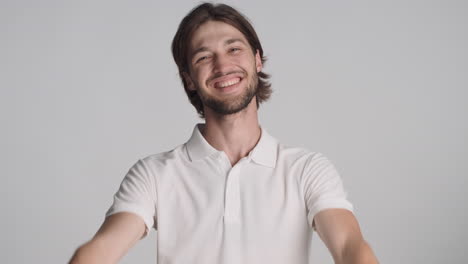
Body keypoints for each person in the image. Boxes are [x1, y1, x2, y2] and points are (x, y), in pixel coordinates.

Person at [69, 3, 379, 264]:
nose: (222, 65)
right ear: (189, 79)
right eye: (204, 57)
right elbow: (101, 250)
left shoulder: (306, 170)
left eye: (234, 49)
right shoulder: (154, 174)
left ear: (257, 59)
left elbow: (350, 247)